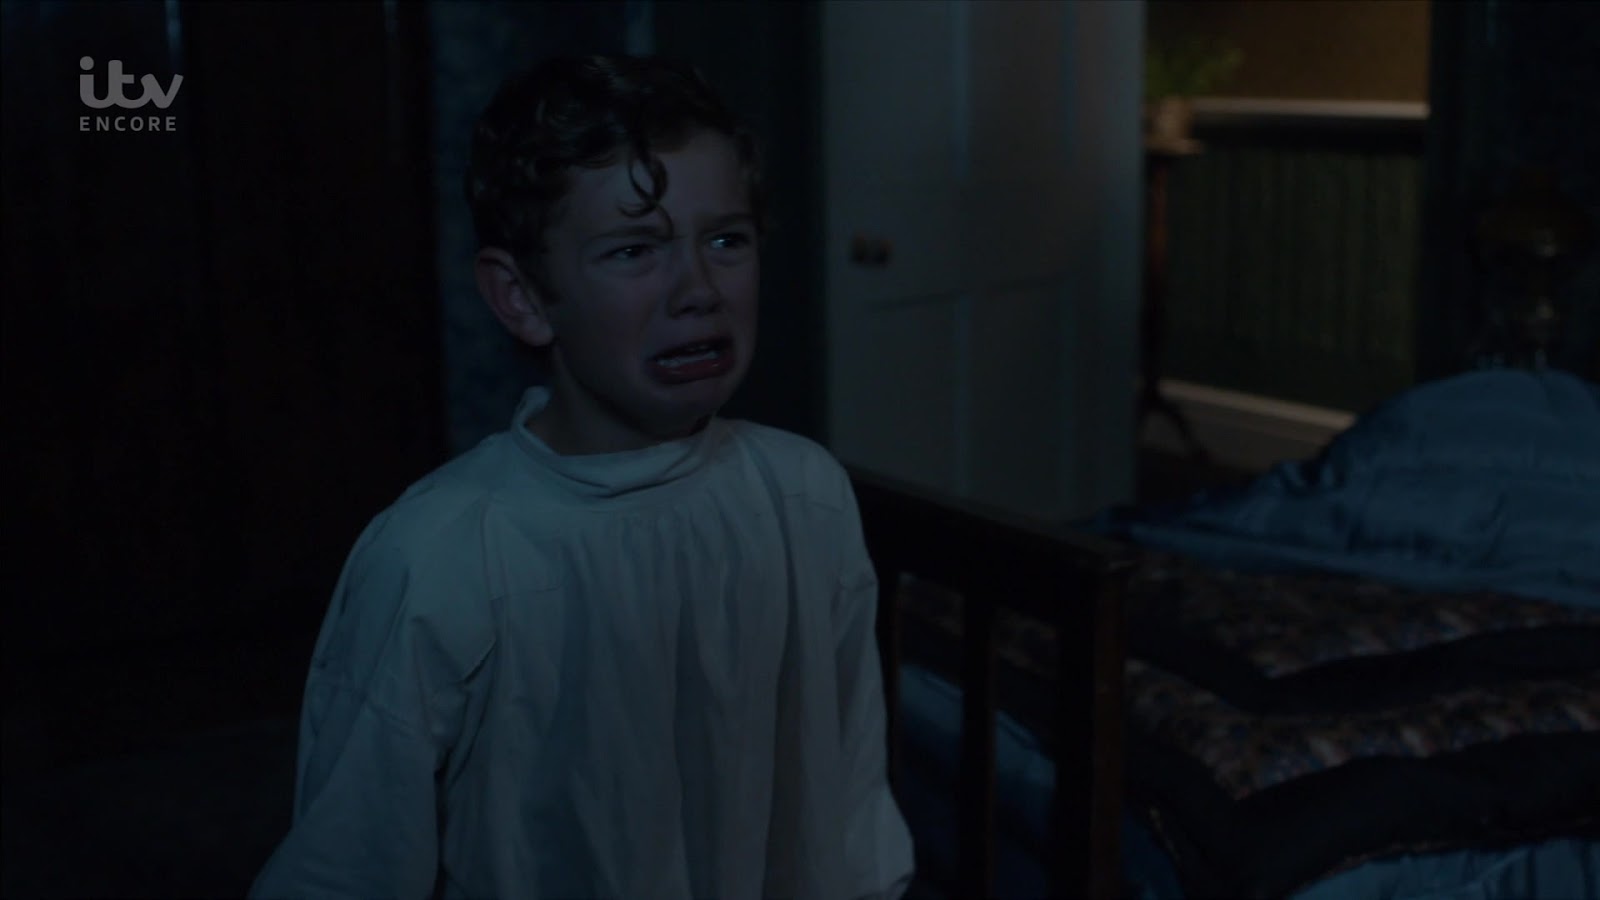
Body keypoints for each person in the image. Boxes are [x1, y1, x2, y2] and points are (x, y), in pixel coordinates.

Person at [249, 55, 915, 899]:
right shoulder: (440, 557)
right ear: (523, 298)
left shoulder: (805, 494)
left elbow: (849, 791)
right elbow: (352, 863)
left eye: (726, 240)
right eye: (634, 249)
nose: (699, 290)